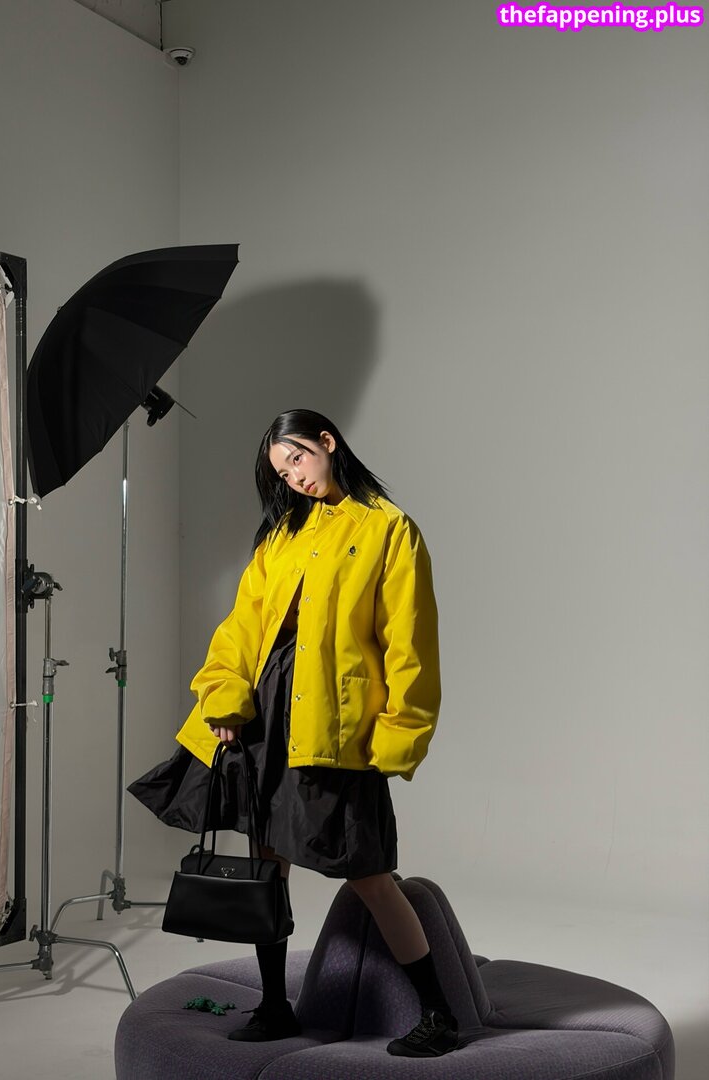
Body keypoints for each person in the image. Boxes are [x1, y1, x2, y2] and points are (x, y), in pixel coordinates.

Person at [129, 409, 459, 1058]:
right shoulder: (283, 534)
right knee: (266, 865)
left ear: (327, 442)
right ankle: (275, 1005)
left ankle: (438, 1013)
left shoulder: (388, 528)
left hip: (334, 723)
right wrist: (226, 697)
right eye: (283, 473)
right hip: (266, 714)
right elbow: (242, 626)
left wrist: (397, 735)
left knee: (369, 872)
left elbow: (410, 645)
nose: (296, 478)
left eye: (299, 459)